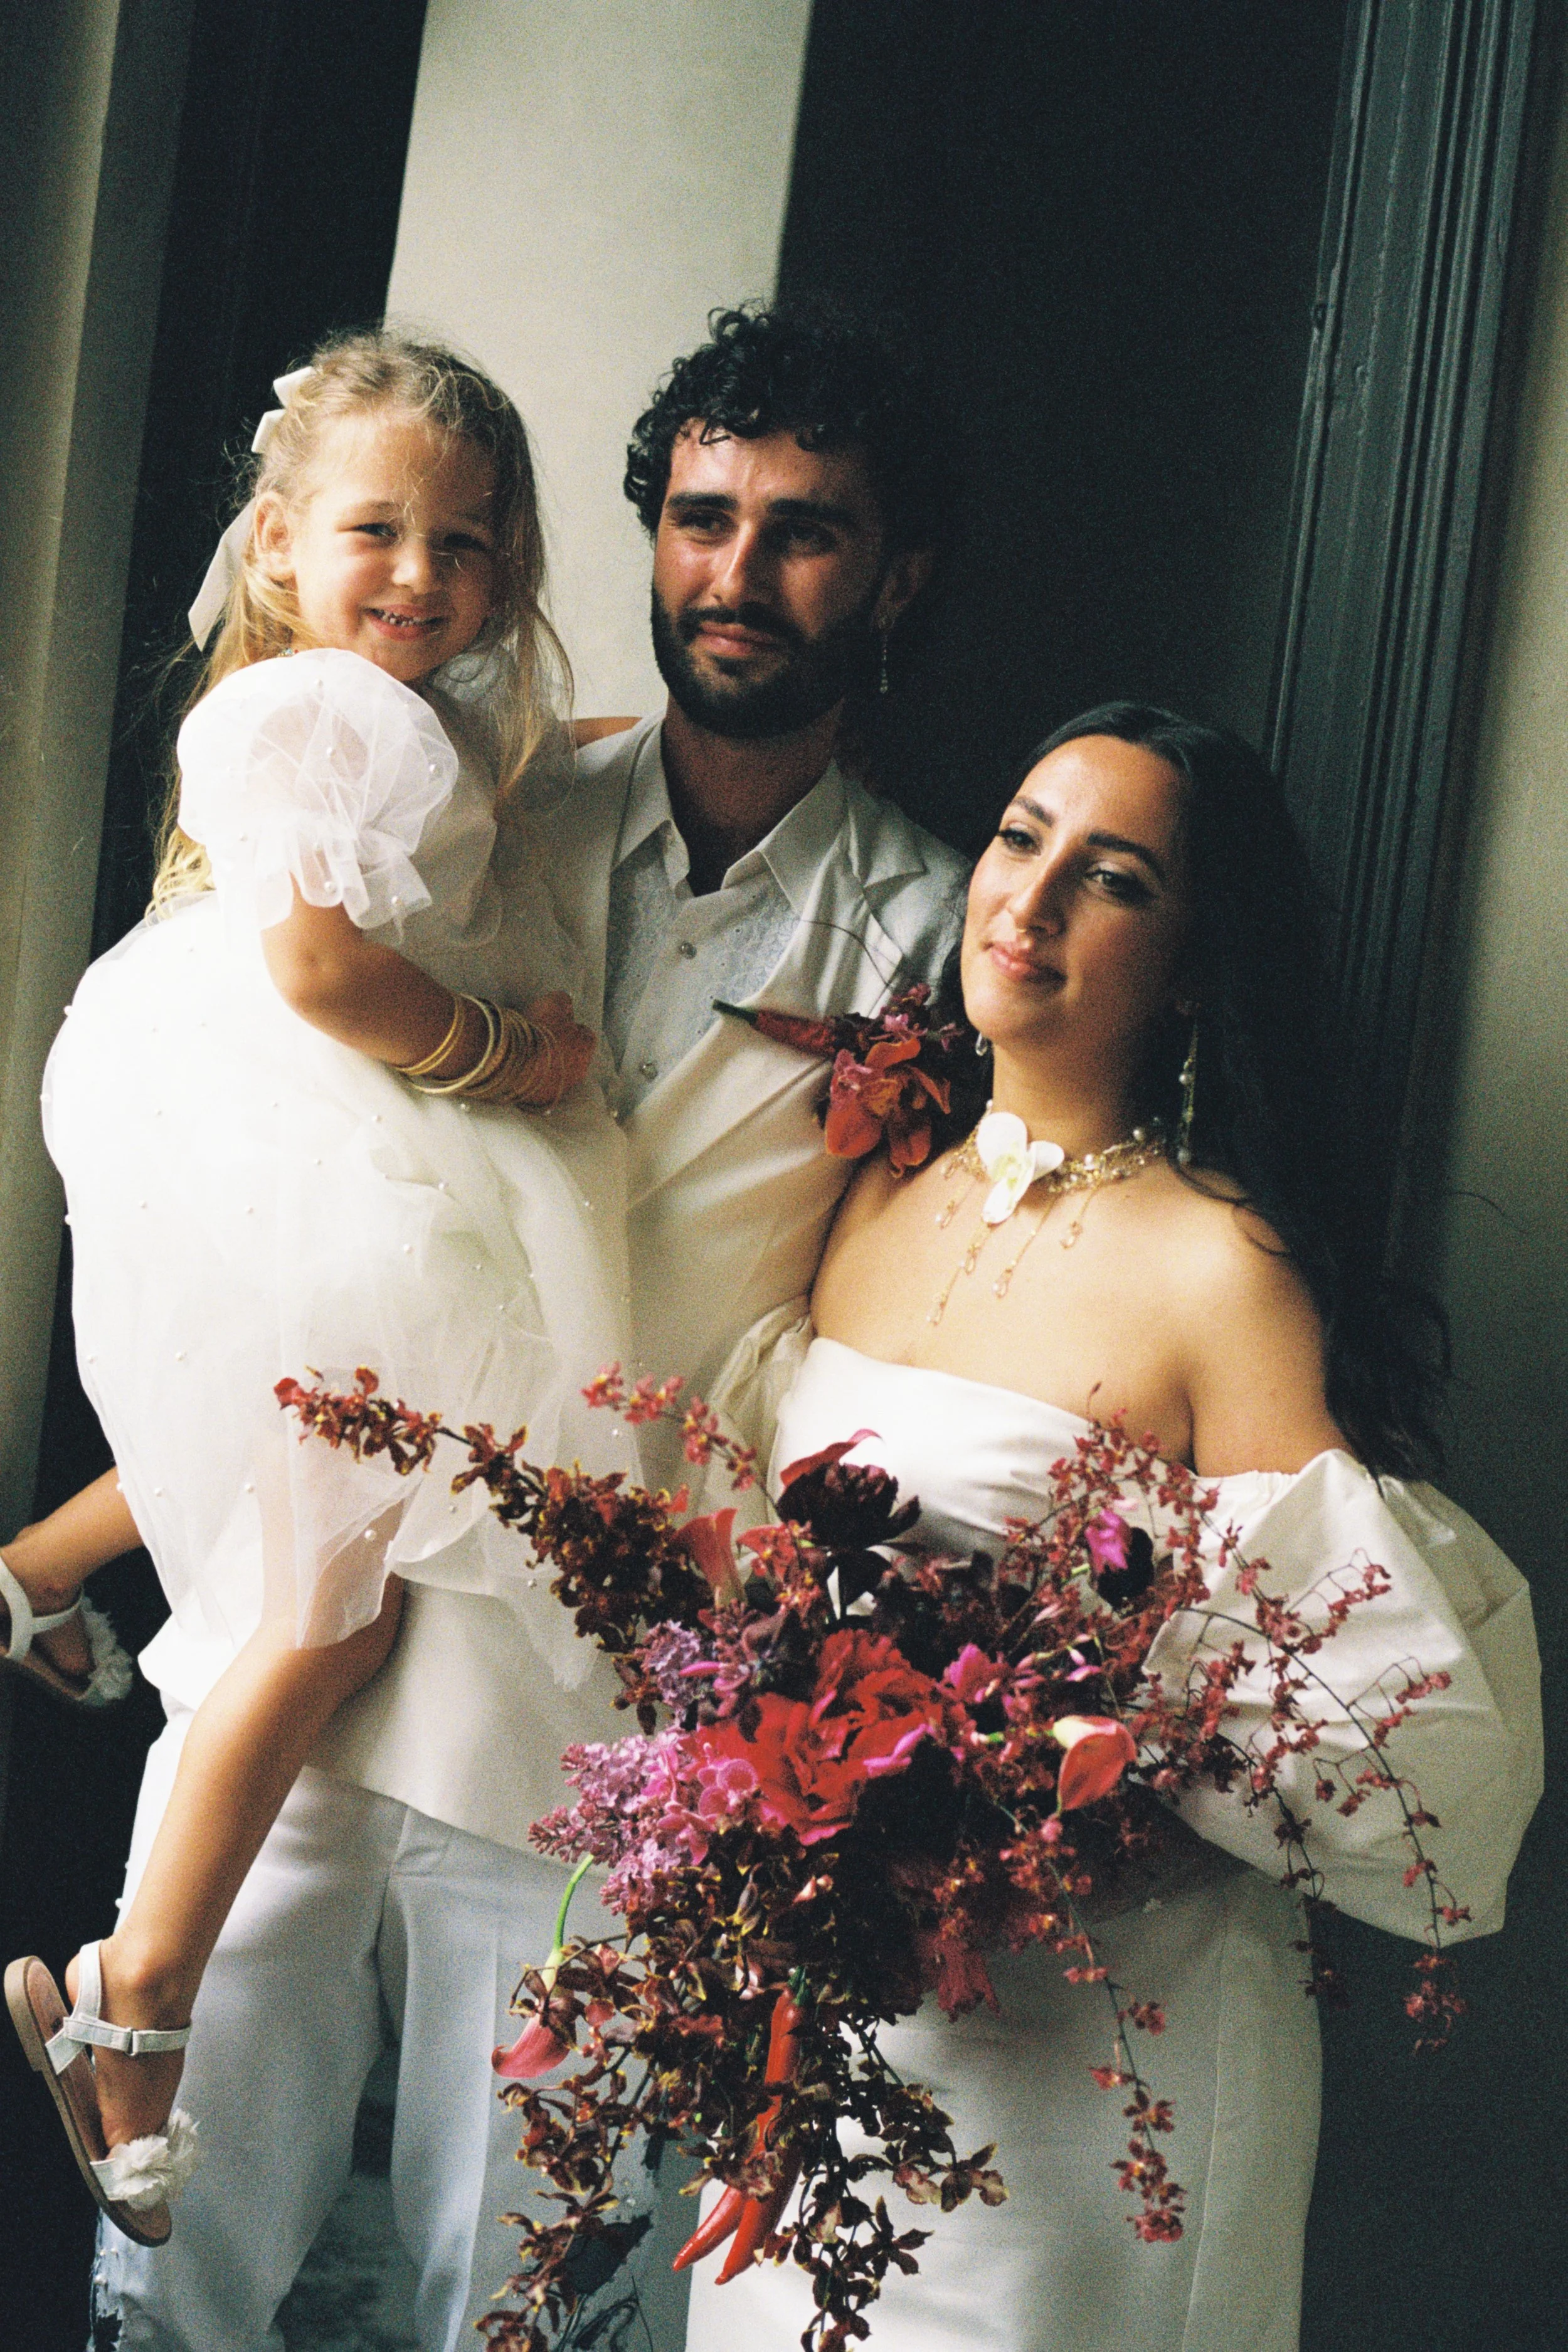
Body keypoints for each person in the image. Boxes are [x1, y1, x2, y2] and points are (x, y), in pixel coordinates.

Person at [85, 304, 970, 2349]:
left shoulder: (931, 929)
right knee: (174, 2244)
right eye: (702, 517)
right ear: (649, 537)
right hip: (321, 1648)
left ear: (894, 575)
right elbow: (279, 1192)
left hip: (600, 1713)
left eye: (806, 531)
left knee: (526, 2294)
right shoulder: (465, 794)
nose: (736, 571)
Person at [682, 707, 1543, 2352]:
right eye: (1019, 838)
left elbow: (1337, 1702)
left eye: (1115, 877)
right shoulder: (869, 1189)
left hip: (1097, 2046)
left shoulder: (1221, 1266)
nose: (1032, 896)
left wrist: (1050, 1778)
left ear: (1195, 958)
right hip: (849, 2015)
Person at [8, 331, 630, 2271]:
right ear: (276, 543)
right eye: (375, 529)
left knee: (279, 1453)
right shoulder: (336, 720)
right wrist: (500, 1061)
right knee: (328, 1602)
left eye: (466, 542)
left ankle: (34, 1573)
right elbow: (324, 972)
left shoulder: (352, 704)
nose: (418, 575)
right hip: (323, 1118)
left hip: (263, 1124)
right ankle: (142, 2000)